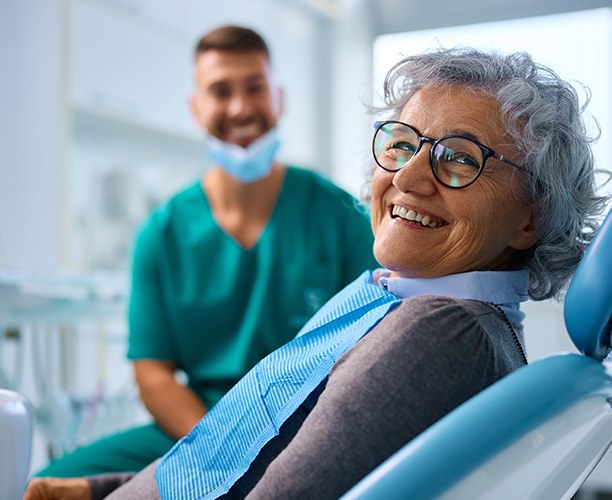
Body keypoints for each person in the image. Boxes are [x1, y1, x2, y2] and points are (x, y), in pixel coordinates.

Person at [25, 46, 608, 500]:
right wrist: (102, 489)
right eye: (403, 145)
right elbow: (246, 446)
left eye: (459, 157)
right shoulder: (408, 304)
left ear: (531, 216)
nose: (407, 178)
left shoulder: (439, 332)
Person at [32, 25, 377, 479]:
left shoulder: (340, 215)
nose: (239, 107)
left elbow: (376, 342)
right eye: (220, 91)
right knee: (52, 484)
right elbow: (153, 374)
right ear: (197, 109)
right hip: (200, 424)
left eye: (255, 87)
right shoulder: (163, 233)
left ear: (280, 99)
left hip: (313, 420)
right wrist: (220, 448)